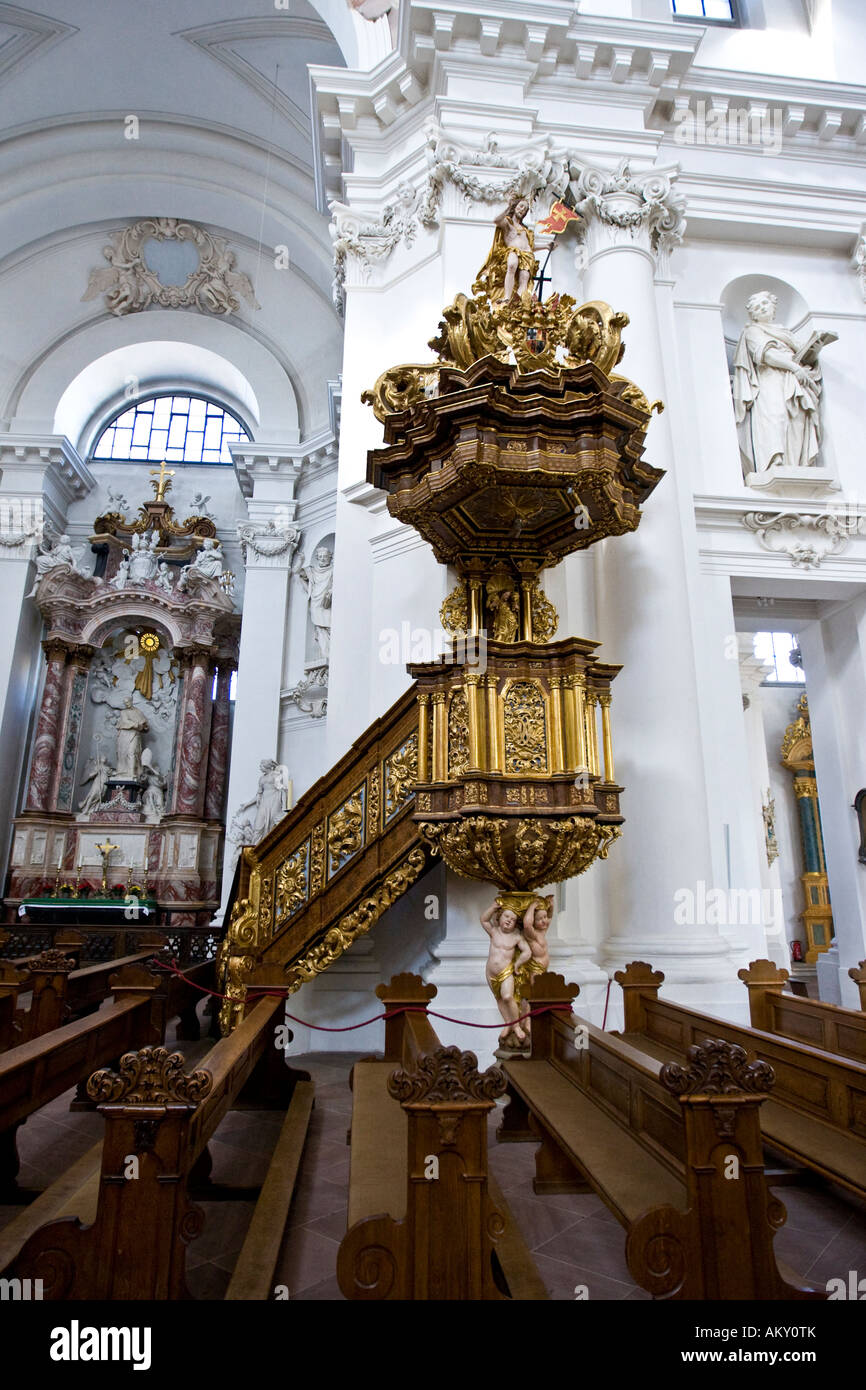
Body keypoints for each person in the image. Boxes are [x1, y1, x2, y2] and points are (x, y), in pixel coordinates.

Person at [732, 290, 832, 475]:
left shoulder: (784, 332)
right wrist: (794, 367)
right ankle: (774, 462)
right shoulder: (752, 331)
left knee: (796, 419)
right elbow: (766, 355)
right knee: (775, 417)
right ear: (752, 314)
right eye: (757, 307)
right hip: (770, 379)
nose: (762, 308)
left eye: (765, 304)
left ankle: (796, 463)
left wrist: (814, 351)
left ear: (773, 306)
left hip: (794, 380)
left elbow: (801, 357)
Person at [480, 899, 532, 1048]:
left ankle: (515, 1026)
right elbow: (483, 920)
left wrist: (518, 963)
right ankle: (508, 1023)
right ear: (500, 917)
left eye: (513, 919)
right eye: (506, 917)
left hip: (506, 971)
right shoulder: (494, 931)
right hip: (490, 972)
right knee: (499, 999)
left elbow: (527, 952)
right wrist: (492, 907)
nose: (509, 921)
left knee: (508, 997)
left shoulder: (516, 936)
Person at [473, 194, 538, 303]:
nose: (522, 210)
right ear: (515, 206)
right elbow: (496, 220)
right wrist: (508, 207)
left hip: (527, 254)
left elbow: (531, 246)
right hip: (513, 250)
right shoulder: (507, 223)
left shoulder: (525, 230)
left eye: (525, 209)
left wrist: (547, 246)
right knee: (512, 264)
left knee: (524, 278)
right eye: (521, 206)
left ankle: (519, 302)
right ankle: (507, 297)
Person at [297, 546, 334, 660]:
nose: (322, 559)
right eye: (320, 557)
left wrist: (331, 591)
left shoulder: (334, 570)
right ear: (317, 558)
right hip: (316, 603)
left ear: (329, 557)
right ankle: (325, 654)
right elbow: (297, 573)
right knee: (320, 628)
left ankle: (332, 651)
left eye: (325, 557)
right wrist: (300, 561)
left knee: (330, 627)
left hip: (326, 604)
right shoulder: (312, 571)